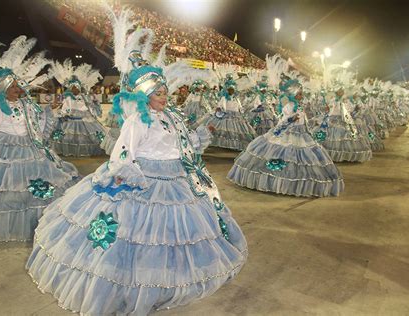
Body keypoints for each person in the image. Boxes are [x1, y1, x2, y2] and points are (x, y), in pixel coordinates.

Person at [27, 11, 247, 313]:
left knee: (176, 235)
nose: (164, 96)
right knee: (139, 236)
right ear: (145, 95)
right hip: (146, 179)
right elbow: (123, 153)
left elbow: (184, 145)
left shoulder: (171, 116)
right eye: (157, 92)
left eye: (165, 90)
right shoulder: (137, 121)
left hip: (178, 180)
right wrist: (123, 175)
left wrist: (203, 134)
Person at [0, 33, 80, 244]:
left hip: (28, 146)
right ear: (3, 89)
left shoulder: (25, 104)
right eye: (12, 88)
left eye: (18, 86)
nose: (17, 90)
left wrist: (50, 111)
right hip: (5, 148)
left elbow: (36, 119)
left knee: (30, 184)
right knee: (8, 186)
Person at [228, 76, 344, 197]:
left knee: (303, 159)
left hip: (301, 134)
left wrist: (313, 122)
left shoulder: (298, 105)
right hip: (287, 134)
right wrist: (291, 119)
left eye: (301, 94)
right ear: (293, 95)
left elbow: (304, 120)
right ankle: (279, 182)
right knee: (288, 156)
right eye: (299, 94)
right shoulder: (289, 106)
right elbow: (283, 121)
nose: (301, 96)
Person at [49, 60, 107, 157]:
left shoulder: (85, 97)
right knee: (67, 137)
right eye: (73, 88)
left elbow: (91, 107)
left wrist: (94, 102)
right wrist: (62, 113)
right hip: (70, 120)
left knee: (87, 138)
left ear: (80, 88)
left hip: (84, 121)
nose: (74, 89)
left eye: (76, 87)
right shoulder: (66, 96)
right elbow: (62, 108)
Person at [199, 74, 257, 151]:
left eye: (232, 90)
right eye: (230, 90)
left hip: (236, 116)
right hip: (226, 115)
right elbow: (220, 105)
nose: (231, 91)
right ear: (227, 90)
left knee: (237, 131)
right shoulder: (224, 98)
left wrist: (243, 112)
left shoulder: (236, 99)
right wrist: (219, 110)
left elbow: (240, 107)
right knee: (224, 129)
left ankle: (235, 145)